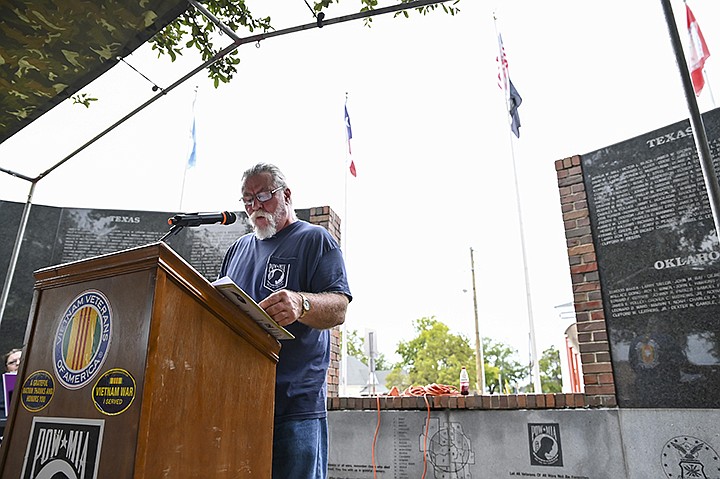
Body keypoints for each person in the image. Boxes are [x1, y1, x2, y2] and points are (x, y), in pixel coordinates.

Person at [219, 163, 352, 479]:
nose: (256, 207)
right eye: (248, 200)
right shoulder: (237, 249)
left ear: (287, 195)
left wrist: (302, 303)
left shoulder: (314, 240)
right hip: (240, 403)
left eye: (263, 196)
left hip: (295, 407)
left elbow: (339, 308)